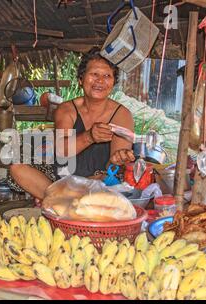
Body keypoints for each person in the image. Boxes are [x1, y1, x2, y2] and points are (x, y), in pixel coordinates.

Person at [8, 47, 135, 200]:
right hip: (63, 180)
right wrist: (90, 136)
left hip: (100, 182)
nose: (100, 81)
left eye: (107, 76)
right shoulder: (67, 109)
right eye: (94, 74)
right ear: (81, 79)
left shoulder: (122, 114)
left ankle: (58, 201)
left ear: (113, 83)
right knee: (16, 169)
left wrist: (117, 159)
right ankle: (61, 198)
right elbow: (62, 150)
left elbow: (114, 168)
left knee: (104, 180)